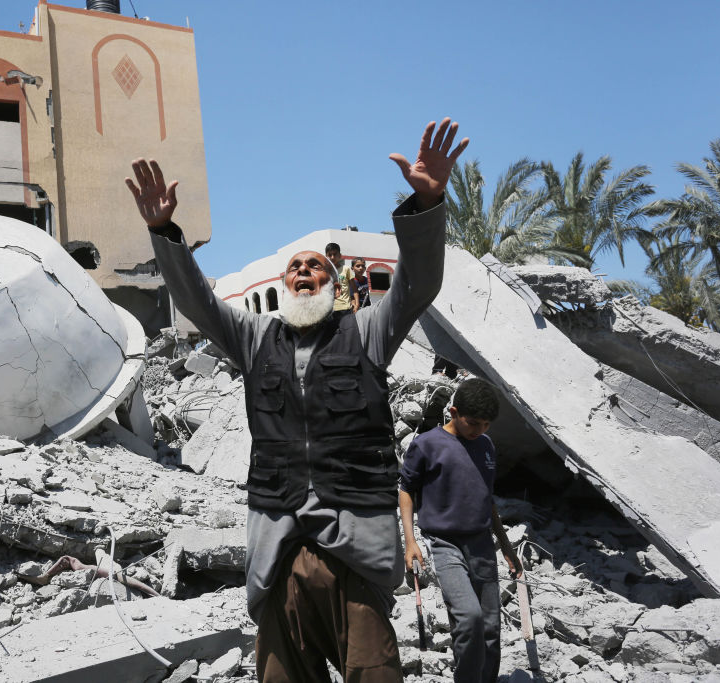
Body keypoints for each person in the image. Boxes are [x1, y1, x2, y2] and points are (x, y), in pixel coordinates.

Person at [126, 117, 469, 683]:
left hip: (356, 547)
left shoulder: (367, 331)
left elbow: (418, 285)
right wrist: (165, 232)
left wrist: (426, 204)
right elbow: (197, 301)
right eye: (295, 268)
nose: (304, 271)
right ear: (286, 286)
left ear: (333, 285)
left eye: (316, 266)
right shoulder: (256, 338)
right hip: (278, 551)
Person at [398, 377, 523, 683]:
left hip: (481, 543)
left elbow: (486, 497)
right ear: (453, 412)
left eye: (486, 424)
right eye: (473, 423)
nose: (479, 430)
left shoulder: (485, 446)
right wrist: (410, 541)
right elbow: (405, 489)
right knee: (469, 618)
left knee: (491, 627)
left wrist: (505, 547)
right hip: (444, 543)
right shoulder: (427, 444)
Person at [325, 242, 354, 313]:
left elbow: (354, 288)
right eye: (330, 255)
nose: (332, 257)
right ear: (326, 256)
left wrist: (356, 304)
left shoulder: (346, 269)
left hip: (345, 308)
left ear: (340, 255)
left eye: (335, 254)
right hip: (329, 308)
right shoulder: (324, 272)